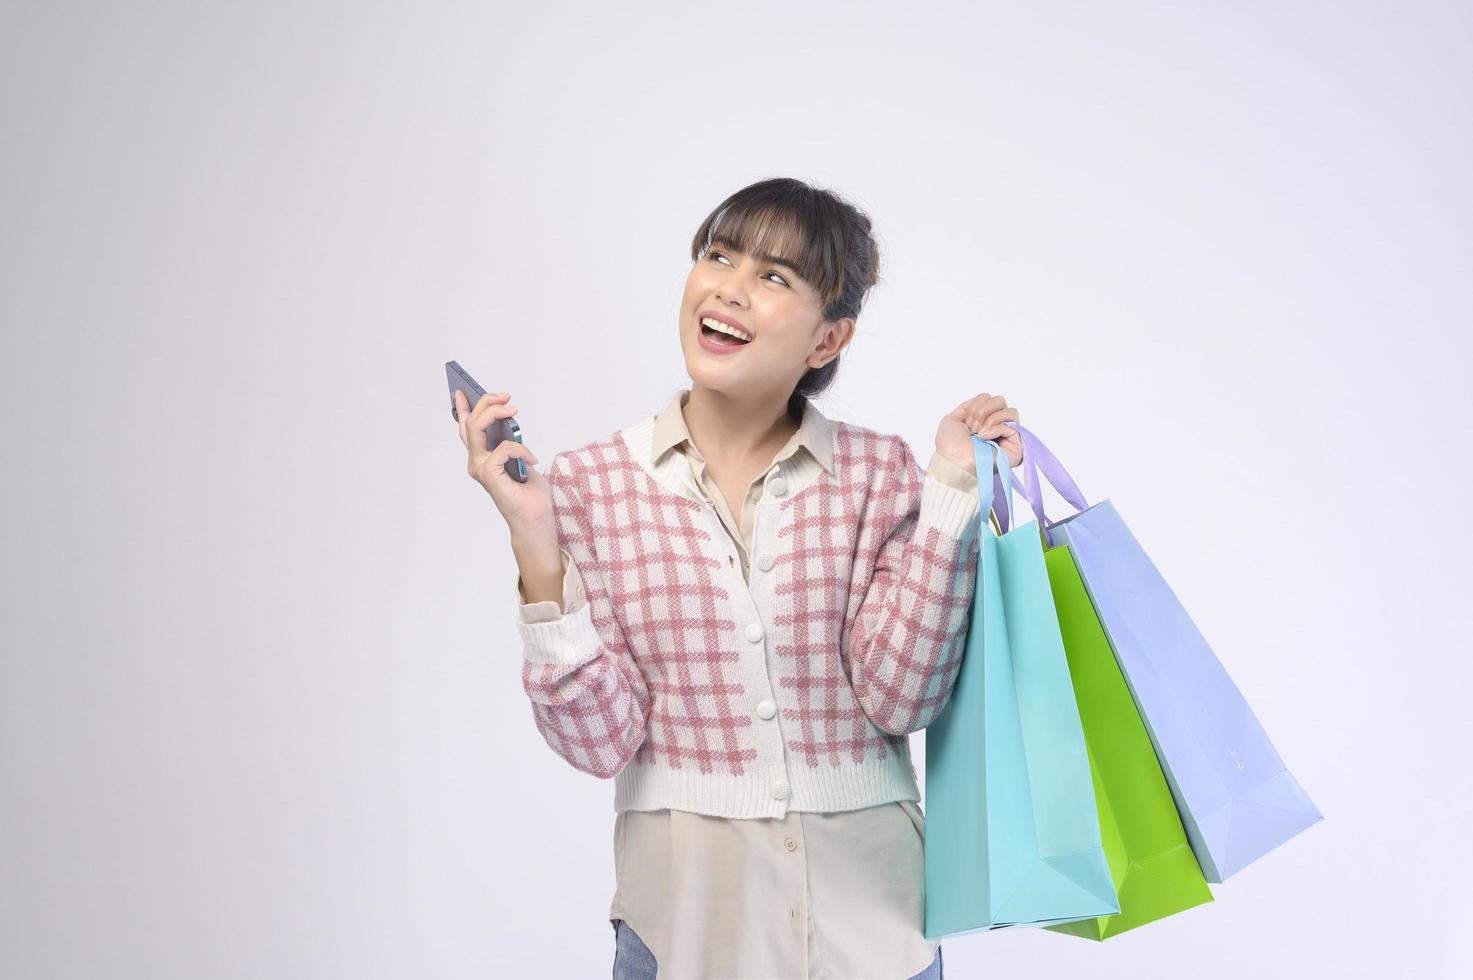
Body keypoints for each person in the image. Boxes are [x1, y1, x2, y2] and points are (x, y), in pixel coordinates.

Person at [454, 177, 1025, 979]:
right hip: (688, 929)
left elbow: (903, 698)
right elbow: (597, 741)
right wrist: (535, 543)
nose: (728, 287)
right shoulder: (587, 484)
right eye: (718, 256)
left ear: (827, 341)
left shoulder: (878, 473)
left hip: (876, 931)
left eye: (774, 276)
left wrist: (950, 496)